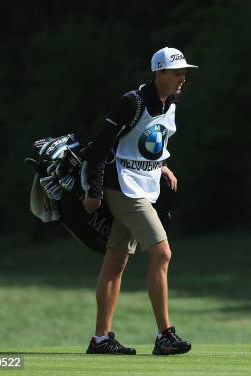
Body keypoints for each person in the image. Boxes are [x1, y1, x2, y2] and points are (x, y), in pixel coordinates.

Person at [82, 47, 197, 356]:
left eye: (184, 72)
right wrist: (93, 192)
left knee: (116, 260)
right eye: (176, 73)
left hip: (144, 188)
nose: (182, 78)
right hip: (123, 188)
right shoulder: (131, 102)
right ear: (158, 73)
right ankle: (164, 335)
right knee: (162, 253)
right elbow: (100, 147)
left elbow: (150, 142)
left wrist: (162, 165)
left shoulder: (170, 102)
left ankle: (101, 339)